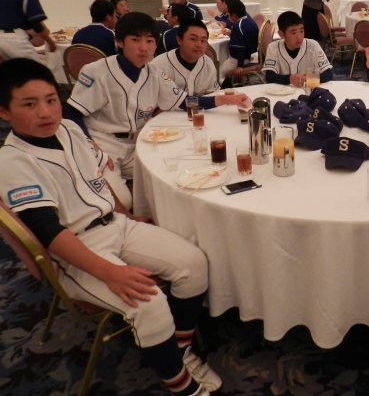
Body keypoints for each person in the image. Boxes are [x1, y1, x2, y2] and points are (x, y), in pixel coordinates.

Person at [0, 58, 222, 396]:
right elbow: (47, 231)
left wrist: (125, 214)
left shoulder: (69, 129)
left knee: (194, 263)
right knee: (148, 302)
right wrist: (109, 273)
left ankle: (178, 350)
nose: (45, 112)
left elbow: (98, 180)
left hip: (115, 224)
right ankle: (181, 385)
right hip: (76, 249)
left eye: (51, 100)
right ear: (4, 112)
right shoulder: (12, 162)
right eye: (29, 105)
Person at [63, 12, 251, 210]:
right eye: (135, 40)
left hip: (137, 143)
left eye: (150, 41)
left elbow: (184, 101)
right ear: (120, 42)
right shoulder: (96, 71)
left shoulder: (154, 73)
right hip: (104, 143)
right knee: (122, 201)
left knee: (177, 173)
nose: (144, 48)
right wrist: (89, 145)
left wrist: (226, 99)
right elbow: (71, 113)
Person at [263, 11, 333, 87]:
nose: (299, 37)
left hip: (309, 90)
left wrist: (315, 78)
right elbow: (269, 76)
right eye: (293, 33)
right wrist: (289, 79)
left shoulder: (313, 45)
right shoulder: (273, 47)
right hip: (283, 92)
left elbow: (328, 74)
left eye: (301, 31)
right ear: (281, 34)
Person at [151, 18, 219, 95]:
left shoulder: (208, 63)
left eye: (203, 40)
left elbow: (215, 94)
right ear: (179, 40)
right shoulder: (159, 66)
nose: (199, 45)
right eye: (193, 39)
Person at [219, 0, 260, 87]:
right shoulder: (250, 21)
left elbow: (241, 48)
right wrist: (232, 34)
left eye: (228, 14)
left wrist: (239, 66)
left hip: (240, 60)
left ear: (234, 16)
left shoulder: (237, 26)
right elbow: (246, 38)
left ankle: (225, 89)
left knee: (220, 73)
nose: (228, 17)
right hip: (252, 56)